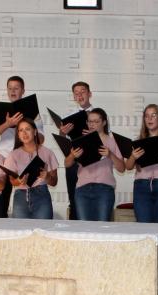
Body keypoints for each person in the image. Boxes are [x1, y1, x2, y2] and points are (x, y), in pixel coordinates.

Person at [0, 75, 44, 217]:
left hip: (24, 159)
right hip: (4, 158)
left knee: (27, 195)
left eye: (16, 88)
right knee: (1, 199)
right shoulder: (2, 111)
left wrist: (25, 127)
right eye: (10, 88)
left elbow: (41, 137)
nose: (12, 91)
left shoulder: (33, 111)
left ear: (23, 90)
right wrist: (7, 124)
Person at [65, 108, 125, 221]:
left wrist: (110, 154)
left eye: (96, 121)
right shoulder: (80, 140)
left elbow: (122, 168)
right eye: (90, 122)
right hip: (82, 189)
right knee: (84, 228)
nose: (92, 124)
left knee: (102, 227)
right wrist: (72, 155)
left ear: (104, 122)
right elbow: (67, 164)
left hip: (104, 189)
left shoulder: (112, 141)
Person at [5, 117, 59, 219]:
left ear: (34, 132)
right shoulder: (13, 155)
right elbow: (12, 181)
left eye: (27, 129)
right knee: (21, 231)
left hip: (42, 196)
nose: (24, 133)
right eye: (21, 130)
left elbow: (54, 181)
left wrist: (47, 177)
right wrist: (19, 181)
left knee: (43, 230)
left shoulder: (48, 153)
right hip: (21, 196)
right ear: (18, 135)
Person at [60, 81, 94, 219]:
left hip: (92, 162)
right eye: (76, 93)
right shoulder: (69, 116)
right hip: (73, 161)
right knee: (74, 201)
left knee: (91, 200)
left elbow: (106, 137)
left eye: (83, 91)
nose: (80, 95)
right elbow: (63, 140)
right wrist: (62, 132)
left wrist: (94, 134)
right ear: (74, 97)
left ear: (90, 94)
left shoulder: (99, 114)